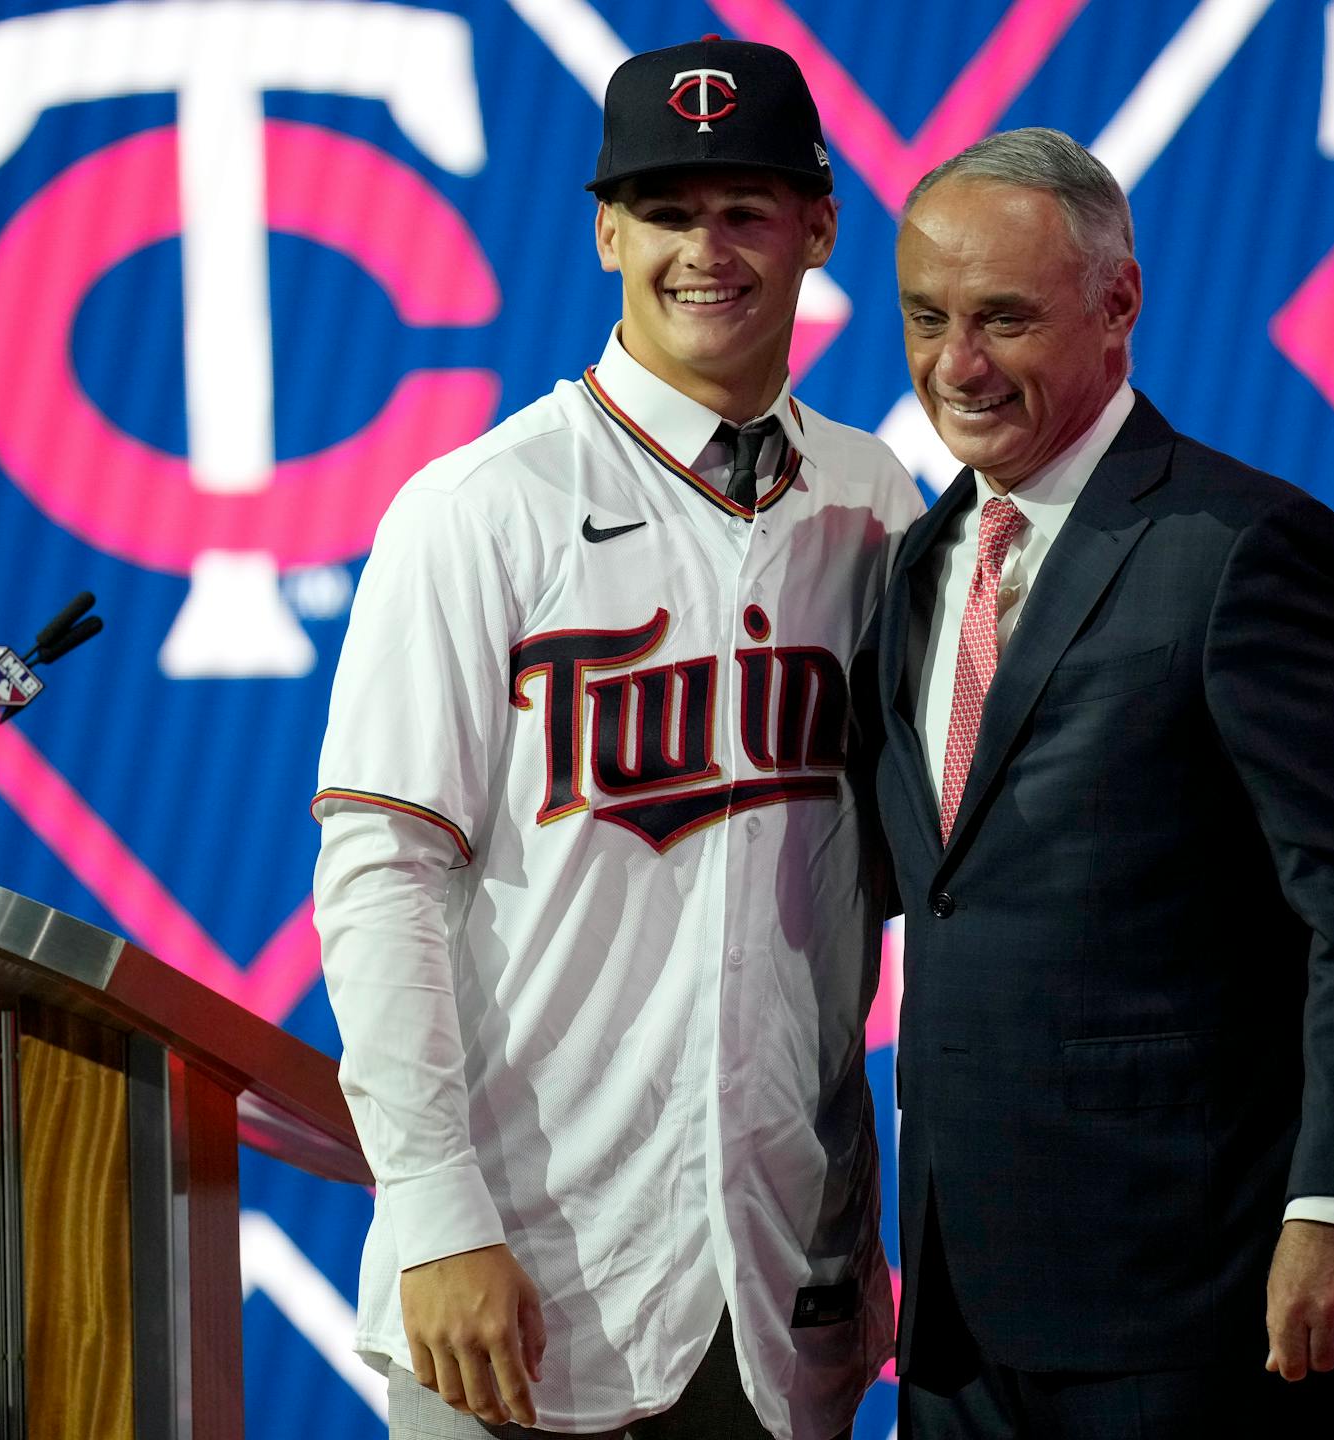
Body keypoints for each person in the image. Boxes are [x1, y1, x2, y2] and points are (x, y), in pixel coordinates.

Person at [312, 37, 920, 1440]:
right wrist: (437, 1215)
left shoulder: (872, 500)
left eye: (745, 209)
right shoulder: (481, 507)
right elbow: (382, 875)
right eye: (665, 211)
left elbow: (879, 895)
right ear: (606, 233)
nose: (705, 250)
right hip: (524, 1268)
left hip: (783, 1277)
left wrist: (866, 1227)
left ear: (821, 225)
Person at [869, 127, 1334, 1436]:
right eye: (927, 318)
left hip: (1200, 1306)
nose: (956, 366)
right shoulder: (916, 564)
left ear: (1118, 302)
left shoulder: (1245, 546)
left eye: (1004, 318)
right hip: (955, 1314)